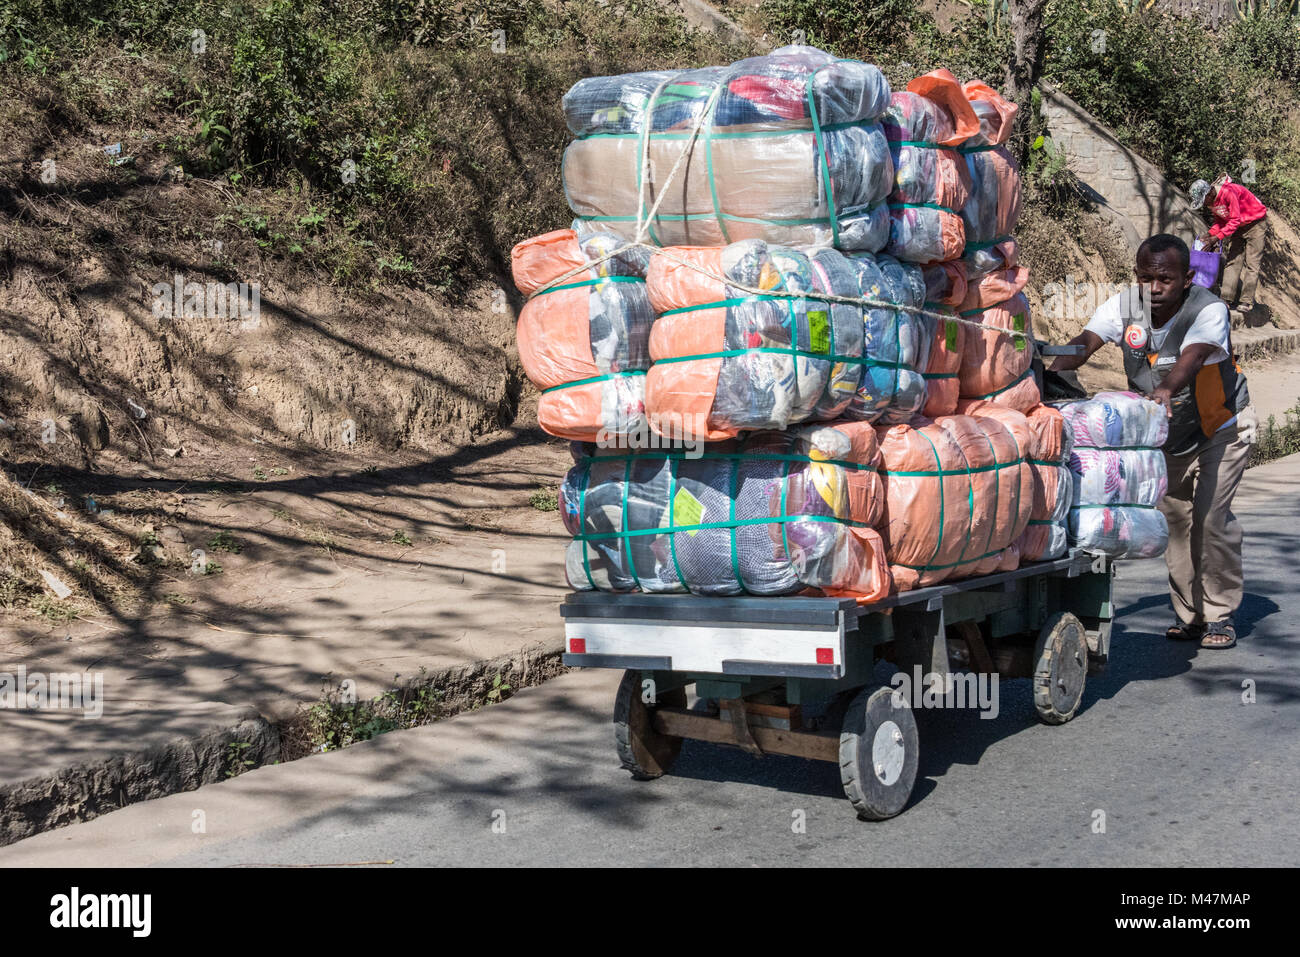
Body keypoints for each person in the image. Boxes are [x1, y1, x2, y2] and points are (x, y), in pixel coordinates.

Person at [1050, 234, 1256, 649]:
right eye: (1147, 278)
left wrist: (1165, 389)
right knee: (1175, 522)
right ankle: (1190, 616)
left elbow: (1194, 355)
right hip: (1164, 435)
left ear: (1186, 278)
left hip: (1220, 428)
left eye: (1165, 279)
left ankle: (1219, 615)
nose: (1155, 288)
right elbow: (1084, 343)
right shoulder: (1126, 306)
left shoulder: (1209, 308)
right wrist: (1050, 374)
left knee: (1211, 520)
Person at [1189, 176, 1268, 326]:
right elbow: (1220, 221)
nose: (1204, 205)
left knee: (1252, 263)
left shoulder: (1228, 192)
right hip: (1239, 226)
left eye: (1204, 201)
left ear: (1209, 193)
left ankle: (1246, 301)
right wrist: (1210, 234)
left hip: (1256, 223)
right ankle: (1225, 298)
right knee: (1233, 261)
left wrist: (1216, 238)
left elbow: (1234, 220)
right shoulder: (1212, 202)